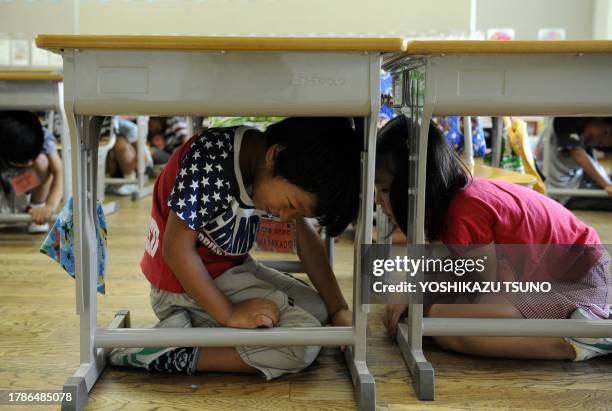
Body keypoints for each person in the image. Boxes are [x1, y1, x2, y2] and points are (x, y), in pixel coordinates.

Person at [110, 117, 360, 378]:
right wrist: (229, 314)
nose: (287, 217)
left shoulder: (269, 167)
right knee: (301, 345)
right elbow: (175, 251)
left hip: (231, 270)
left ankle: (194, 329)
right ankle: (166, 353)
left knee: (319, 310)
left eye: (297, 212)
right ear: (274, 155)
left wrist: (338, 308)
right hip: (180, 287)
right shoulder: (211, 160)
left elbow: (306, 240)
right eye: (290, 204)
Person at [376, 115, 611, 361]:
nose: (379, 202)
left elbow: (483, 292)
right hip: (567, 275)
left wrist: (420, 301)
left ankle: (583, 340)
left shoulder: (463, 214)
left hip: (583, 285)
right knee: (439, 314)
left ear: (413, 186)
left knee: (443, 325)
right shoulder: (457, 198)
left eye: (383, 190)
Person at [0, 111, 63, 233]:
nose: (30, 163)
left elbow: (58, 171)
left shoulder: (41, 136)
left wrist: (49, 206)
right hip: (3, 184)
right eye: (25, 161)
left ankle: (36, 207)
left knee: (42, 162)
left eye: (32, 158)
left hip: (26, 185)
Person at [536, 117, 612, 210]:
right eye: (605, 132)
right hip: (564, 193)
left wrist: (607, 184)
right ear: (598, 118)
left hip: (574, 180)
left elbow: (594, 166)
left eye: (600, 144)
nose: (596, 141)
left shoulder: (583, 136)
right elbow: (578, 154)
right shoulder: (565, 120)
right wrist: (607, 185)